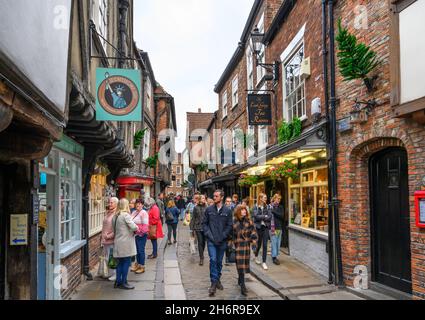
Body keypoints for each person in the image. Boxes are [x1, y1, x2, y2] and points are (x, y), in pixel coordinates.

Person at [202, 189, 233, 297]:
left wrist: (223, 236)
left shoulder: (228, 211)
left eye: (216, 196)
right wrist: (210, 235)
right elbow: (204, 224)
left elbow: (229, 226)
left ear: (221, 197)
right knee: (213, 259)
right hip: (211, 240)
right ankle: (213, 283)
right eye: (214, 196)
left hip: (222, 241)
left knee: (219, 262)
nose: (214, 197)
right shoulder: (209, 210)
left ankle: (217, 279)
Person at [112, 198, 138, 289]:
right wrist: (136, 228)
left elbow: (114, 229)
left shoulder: (115, 216)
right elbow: (134, 227)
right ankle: (124, 282)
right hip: (126, 243)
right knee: (126, 262)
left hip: (118, 242)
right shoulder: (126, 215)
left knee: (119, 263)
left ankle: (118, 282)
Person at [233, 204, 258, 296]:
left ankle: (240, 280)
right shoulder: (234, 222)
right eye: (242, 210)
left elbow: (254, 232)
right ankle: (243, 286)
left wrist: (254, 241)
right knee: (240, 265)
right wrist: (231, 244)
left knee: (244, 265)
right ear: (238, 211)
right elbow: (231, 234)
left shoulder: (249, 221)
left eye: (245, 210)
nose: (244, 211)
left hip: (246, 246)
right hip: (238, 246)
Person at [252, 193, 272, 270]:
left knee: (265, 245)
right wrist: (264, 216)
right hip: (258, 228)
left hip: (265, 227)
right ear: (260, 198)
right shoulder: (255, 207)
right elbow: (256, 216)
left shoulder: (268, 207)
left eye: (266, 197)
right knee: (259, 244)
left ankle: (264, 262)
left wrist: (263, 217)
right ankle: (256, 256)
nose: (265, 199)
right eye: (264, 197)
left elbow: (270, 217)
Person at [101, 197, 118, 281]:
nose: (109, 204)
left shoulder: (116, 214)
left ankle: (114, 274)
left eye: (111, 203)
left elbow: (116, 229)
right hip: (105, 240)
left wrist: (108, 236)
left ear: (116, 204)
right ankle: (110, 273)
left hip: (111, 240)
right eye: (109, 202)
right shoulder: (108, 213)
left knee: (112, 258)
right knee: (107, 257)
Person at [130, 199, 149, 274]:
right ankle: (137, 264)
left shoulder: (144, 213)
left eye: (140, 203)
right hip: (135, 234)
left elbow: (145, 226)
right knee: (136, 250)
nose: (138, 205)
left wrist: (139, 232)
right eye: (137, 203)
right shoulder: (134, 212)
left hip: (141, 235)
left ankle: (142, 266)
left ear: (142, 205)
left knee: (141, 250)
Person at [190, 194, 208, 266]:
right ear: (200, 199)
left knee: (204, 242)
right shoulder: (196, 207)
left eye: (204, 198)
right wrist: (192, 229)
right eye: (202, 198)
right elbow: (193, 218)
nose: (204, 199)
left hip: (205, 227)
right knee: (200, 242)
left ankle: (201, 253)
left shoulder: (207, 207)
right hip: (197, 227)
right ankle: (201, 258)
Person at [270, 194, 284, 265]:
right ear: (274, 199)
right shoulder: (270, 207)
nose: (278, 200)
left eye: (279, 199)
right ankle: (274, 258)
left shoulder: (280, 207)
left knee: (278, 244)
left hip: (279, 227)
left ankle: (275, 255)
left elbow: (281, 216)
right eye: (277, 199)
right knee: (274, 243)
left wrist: (273, 212)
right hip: (273, 228)